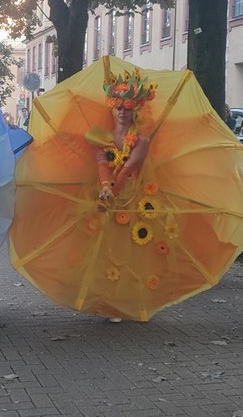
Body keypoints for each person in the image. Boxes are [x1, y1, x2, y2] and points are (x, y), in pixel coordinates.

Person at [91, 69, 155, 323]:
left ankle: (124, 303)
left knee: (126, 251)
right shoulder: (102, 136)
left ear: (134, 109)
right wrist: (105, 187)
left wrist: (111, 195)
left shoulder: (141, 140)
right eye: (118, 107)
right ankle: (106, 300)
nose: (121, 112)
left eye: (126, 108)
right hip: (105, 194)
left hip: (130, 200)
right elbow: (101, 162)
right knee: (104, 250)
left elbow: (128, 169)